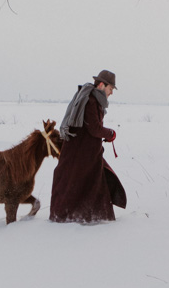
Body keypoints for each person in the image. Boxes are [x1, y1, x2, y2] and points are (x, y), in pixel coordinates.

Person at [49, 70, 127, 223]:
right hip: (82, 154)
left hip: (84, 153)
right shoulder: (91, 101)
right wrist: (110, 133)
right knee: (83, 184)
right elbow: (94, 128)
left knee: (78, 182)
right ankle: (91, 218)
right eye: (111, 89)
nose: (111, 93)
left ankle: (81, 216)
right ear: (102, 85)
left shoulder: (91, 99)